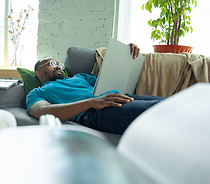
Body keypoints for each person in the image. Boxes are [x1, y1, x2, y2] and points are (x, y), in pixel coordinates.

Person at [26, 44, 166, 135]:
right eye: (51, 64)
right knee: (159, 111)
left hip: (120, 96)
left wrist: (127, 55)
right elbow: (44, 112)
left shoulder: (80, 77)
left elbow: (110, 82)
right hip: (96, 111)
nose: (57, 67)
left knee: (171, 103)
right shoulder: (38, 92)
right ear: (38, 72)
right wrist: (90, 103)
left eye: (58, 64)